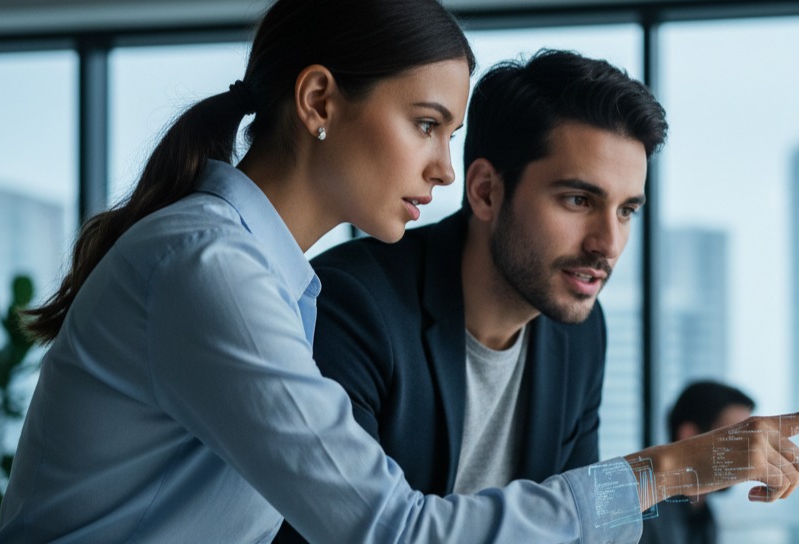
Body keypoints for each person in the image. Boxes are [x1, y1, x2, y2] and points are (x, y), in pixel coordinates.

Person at [0, 0, 799, 541]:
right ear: (319, 100)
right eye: (426, 125)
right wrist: (668, 471)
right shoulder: (213, 270)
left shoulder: (262, 277)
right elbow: (390, 529)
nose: (443, 168)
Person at [275, 48, 666, 543]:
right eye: (578, 200)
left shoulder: (581, 332)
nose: (607, 243)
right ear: (485, 191)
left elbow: (578, 531)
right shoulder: (351, 305)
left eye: (627, 211)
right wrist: (668, 471)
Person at [639, 380, 757, 544]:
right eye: (734, 439)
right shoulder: (644, 516)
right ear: (690, 436)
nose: (746, 455)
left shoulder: (705, 517)